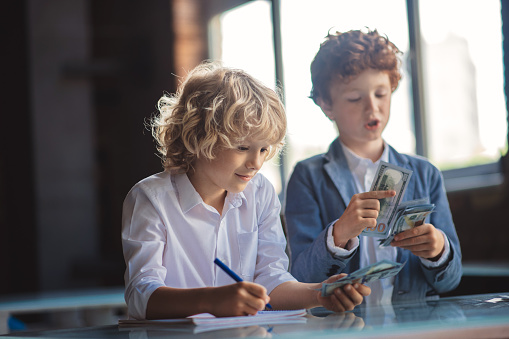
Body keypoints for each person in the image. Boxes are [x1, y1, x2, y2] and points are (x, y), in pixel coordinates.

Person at [121, 61, 371, 320]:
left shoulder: (260, 192)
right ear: (198, 136)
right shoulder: (150, 199)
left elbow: (271, 280)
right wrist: (211, 300)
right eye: (242, 148)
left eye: (264, 150)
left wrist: (319, 293)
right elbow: (141, 295)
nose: (256, 163)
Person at [284, 29, 462, 305]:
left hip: (415, 327)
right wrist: (339, 234)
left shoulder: (426, 174)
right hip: (343, 327)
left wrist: (438, 250)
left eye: (381, 94)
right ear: (326, 104)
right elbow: (299, 277)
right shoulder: (308, 176)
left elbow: (451, 281)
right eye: (355, 99)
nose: (372, 108)